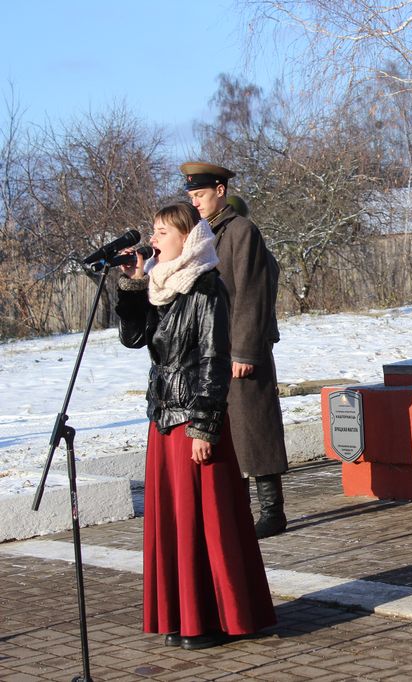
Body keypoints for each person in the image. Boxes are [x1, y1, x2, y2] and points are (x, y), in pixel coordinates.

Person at [116, 202, 276, 649]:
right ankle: (179, 615)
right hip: (163, 419)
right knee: (172, 522)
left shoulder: (206, 286)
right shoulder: (158, 285)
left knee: (204, 522)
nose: (153, 240)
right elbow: (134, 338)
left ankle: (213, 618)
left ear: (187, 238)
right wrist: (132, 285)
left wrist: (204, 428)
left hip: (194, 420)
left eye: (162, 232)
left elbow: (214, 361)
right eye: (153, 231)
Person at [180, 162, 289, 538]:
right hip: (211, 350)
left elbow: (252, 293)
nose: (195, 202)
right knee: (223, 430)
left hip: (242, 348)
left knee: (255, 428)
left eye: (200, 194)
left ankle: (272, 512)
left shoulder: (241, 230)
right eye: (191, 196)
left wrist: (245, 352)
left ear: (220, 190)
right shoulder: (201, 233)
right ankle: (235, 513)